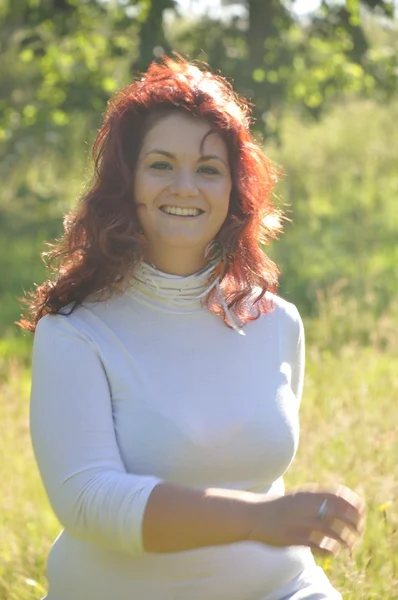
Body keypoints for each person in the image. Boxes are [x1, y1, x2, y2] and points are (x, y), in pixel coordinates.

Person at [20, 54, 365, 600]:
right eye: (161, 165)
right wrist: (257, 518)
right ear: (126, 180)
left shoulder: (278, 323)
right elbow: (88, 501)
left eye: (208, 169)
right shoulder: (76, 333)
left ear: (234, 190)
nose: (185, 187)